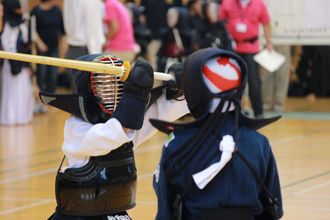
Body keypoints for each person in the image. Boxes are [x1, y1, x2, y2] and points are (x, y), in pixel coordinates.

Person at [39, 54, 189, 219]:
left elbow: (163, 111)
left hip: (115, 214)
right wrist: (136, 94)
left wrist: (181, 89)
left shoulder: (127, 127)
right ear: (88, 89)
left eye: (114, 82)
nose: (111, 88)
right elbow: (114, 134)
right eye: (103, 84)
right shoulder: (76, 127)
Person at [151, 48, 283, 220]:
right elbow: (274, 209)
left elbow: (165, 211)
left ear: (193, 92)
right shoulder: (258, 142)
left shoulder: (177, 144)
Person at [220, 0, 273, 118]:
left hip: (251, 48)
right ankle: (235, 111)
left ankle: (258, 112)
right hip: (233, 48)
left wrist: (269, 42)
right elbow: (221, 22)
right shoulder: (227, 3)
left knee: (254, 82)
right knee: (233, 81)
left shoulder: (259, 3)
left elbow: (266, 22)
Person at [0, 0, 34, 125]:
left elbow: (26, 45)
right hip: (10, 65)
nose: (20, 11)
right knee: (11, 91)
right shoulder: (6, 26)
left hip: (19, 64)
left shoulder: (21, 25)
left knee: (21, 90)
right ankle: (12, 117)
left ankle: (20, 117)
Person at [31, 0, 65, 94]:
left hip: (54, 48)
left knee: (53, 74)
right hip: (41, 49)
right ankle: (40, 97)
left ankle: (51, 96)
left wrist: (62, 46)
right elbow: (32, 30)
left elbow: (62, 31)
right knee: (42, 73)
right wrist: (39, 43)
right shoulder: (36, 11)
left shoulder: (57, 10)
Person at [261, 45, 291, 112]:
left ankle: (279, 102)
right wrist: (268, 41)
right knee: (267, 73)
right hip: (267, 41)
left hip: (283, 41)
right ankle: (266, 102)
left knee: (282, 73)